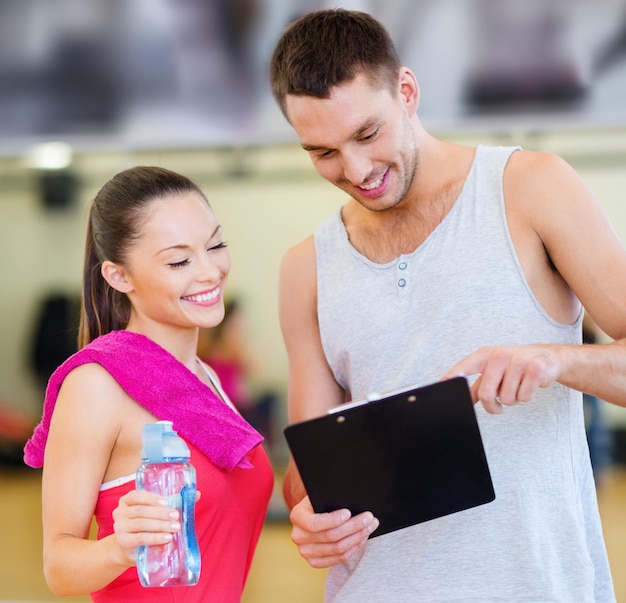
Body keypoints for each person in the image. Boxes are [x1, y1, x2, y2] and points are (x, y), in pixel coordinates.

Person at [269, 8, 626, 602]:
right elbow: (308, 476)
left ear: (406, 91)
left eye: (366, 134)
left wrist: (557, 362)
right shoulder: (305, 267)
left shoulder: (530, 188)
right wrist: (311, 522)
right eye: (323, 152)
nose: (356, 170)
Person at [22, 166, 274, 602]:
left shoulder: (206, 377)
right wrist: (121, 548)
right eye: (179, 260)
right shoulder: (96, 386)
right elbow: (59, 570)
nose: (210, 272)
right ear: (119, 276)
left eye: (215, 245)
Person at [197, 297, 276, 450]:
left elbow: (256, 376)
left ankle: (264, 447)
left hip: (240, 405)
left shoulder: (237, 349)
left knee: (270, 399)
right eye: (235, 323)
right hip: (225, 406)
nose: (239, 327)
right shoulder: (212, 347)